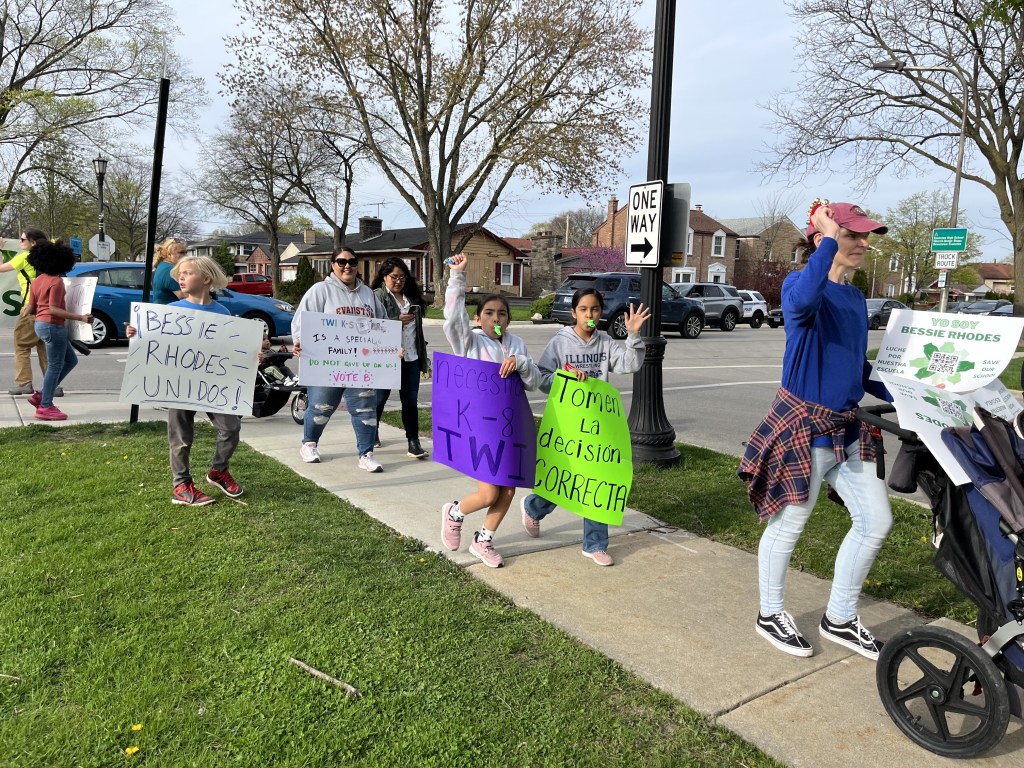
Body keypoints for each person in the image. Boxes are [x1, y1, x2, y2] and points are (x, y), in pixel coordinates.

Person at [738, 200, 893, 661]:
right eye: (853, 235)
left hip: (847, 431)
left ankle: (840, 617)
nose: (864, 244)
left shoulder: (852, 297)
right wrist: (826, 235)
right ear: (822, 240)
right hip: (804, 427)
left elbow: (857, 366)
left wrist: (909, 389)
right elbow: (804, 302)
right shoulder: (797, 287)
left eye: (866, 236)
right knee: (790, 524)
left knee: (876, 520)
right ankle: (770, 613)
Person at [518, 288, 649, 567]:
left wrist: (634, 335)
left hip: (599, 425)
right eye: (584, 310)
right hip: (568, 426)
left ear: (601, 313)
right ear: (573, 312)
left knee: (598, 481)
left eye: (595, 310)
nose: (590, 315)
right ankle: (533, 507)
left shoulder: (606, 342)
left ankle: (595, 544)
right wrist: (566, 377)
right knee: (567, 480)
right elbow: (541, 379)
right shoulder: (560, 343)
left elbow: (630, 364)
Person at [440, 253, 541, 567]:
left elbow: (534, 382)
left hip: (510, 427)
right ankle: (454, 513)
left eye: (502, 314)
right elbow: (453, 318)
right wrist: (458, 276)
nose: (496, 319)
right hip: (479, 426)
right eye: (489, 313)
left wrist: (521, 363)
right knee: (488, 493)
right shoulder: (470, 343)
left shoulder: (518, 345)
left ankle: (483, 540)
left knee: (508, 491)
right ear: (478, 318)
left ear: (508, 319)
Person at [126, 255, 244, 506]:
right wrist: (137, 334)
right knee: (180, 437)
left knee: (231, 428)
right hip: (179, 385)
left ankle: (218, 470)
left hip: (212, 384)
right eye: (180, 274)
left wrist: (248, 351)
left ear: (206, 279)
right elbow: (154, 346)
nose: (181, 277)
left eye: (187, 273)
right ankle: (181, 485)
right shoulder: (171, 312)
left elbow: (227, 349)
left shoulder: (222, 311)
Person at [292, 246, 389, 470]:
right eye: (341, 261)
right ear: (333, 264)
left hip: (360, 363)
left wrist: (392, 347)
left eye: (352, 261)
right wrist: (299, 340)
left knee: (365, 407)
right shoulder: (320, 290)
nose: (347, 266)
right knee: (321, 406)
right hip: (327, 362)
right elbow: (302, 320)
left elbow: (382, 324)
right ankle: (309, 443)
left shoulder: (368, 294)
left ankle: (366, 454)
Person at [24, 240, 92, 421]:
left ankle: (42, 395)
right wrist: (81, 318)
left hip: (41, 324)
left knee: (71, 360)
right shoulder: (56, 282)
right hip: (53, 325)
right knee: (55, 366)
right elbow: (54, 309)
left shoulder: (37, 281)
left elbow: (31, 308)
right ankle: (45, 406)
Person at [371, 257, 429, 459]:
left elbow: (418, 334)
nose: (398, 281)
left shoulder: (411, 298)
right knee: (379, 399)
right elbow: (371, 325)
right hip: (387, 358)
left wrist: (424, 360)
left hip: (411, 357)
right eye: (394, 277)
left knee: (410, 402)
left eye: (402, 277)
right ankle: (372, 431)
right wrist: (396, 321)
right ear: (384, 276)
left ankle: (413, 442)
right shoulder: (377, 296)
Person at [1, 228, 57, 396]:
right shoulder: (52, 258)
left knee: (21, 345)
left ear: (32, 242)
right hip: (50, 307)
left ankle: (24, 383)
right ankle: (54, 385)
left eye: (23, 239)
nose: (20, 242)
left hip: (31, 307)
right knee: (44, 346)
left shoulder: (25, 258)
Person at [152, 237, 187, 305]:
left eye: (186, 252)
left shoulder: (163, 265)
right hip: (170, 312)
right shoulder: (170, 270)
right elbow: (183, 296)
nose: (185, 255)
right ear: (169, 254)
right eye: (181, 252)